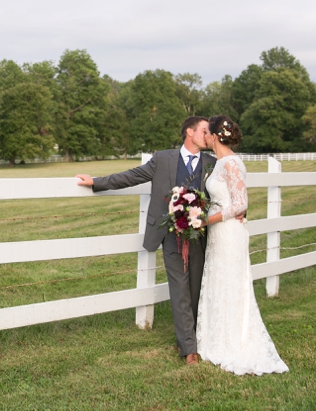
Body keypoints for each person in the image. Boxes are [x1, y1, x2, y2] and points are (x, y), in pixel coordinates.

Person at [75, 116, 216, 364]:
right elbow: (132, 176)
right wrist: (96, 181)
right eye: (204, 131)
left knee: (196, 289)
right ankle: (189, 350)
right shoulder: (163, 159)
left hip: (200, 235)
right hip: (170, 235)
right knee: (179, 289)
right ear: (189, 132)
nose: (208, 135)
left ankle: (192, 337)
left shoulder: (212, 163)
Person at [196, 115, 288, 375]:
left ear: (214, 136)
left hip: (228, 232)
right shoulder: (219, 163)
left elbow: (240, 204)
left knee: (231, 282)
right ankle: (216, 339)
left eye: (207, 134)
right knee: (219, 280)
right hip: (219, 232)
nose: (205, 137)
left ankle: (234, 342)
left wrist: (205, 221)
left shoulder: (231, 163)